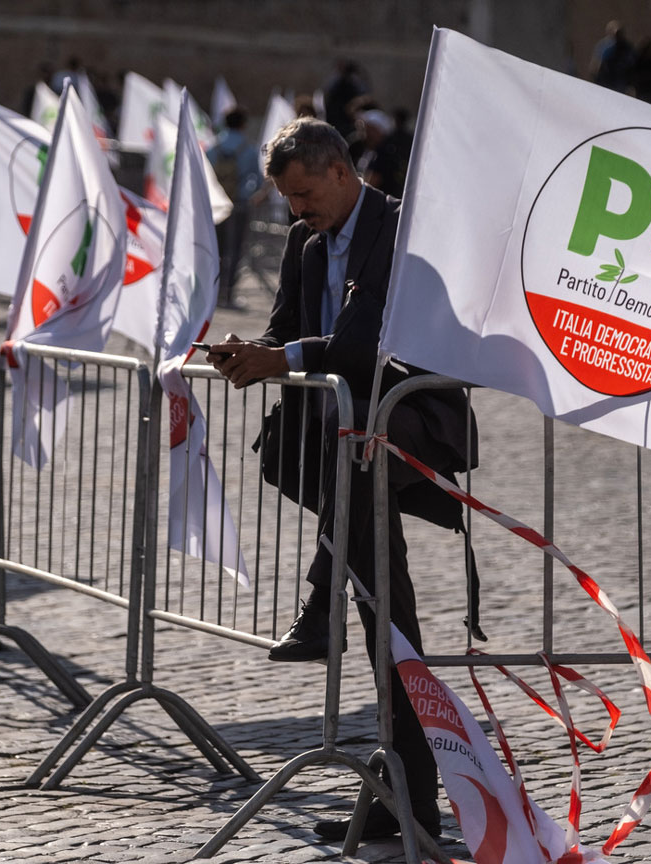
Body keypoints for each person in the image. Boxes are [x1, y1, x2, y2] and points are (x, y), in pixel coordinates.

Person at [207, 117, 481, 844]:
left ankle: (323, 591)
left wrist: (282, 358)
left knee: (382, 610)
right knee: (390, 621)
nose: (298, 211)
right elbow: (285, 330)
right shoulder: (303, 242)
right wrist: (248, 354)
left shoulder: (398, 228)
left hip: (406, 419)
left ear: (338, 170)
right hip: (337, 448)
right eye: (288, 201)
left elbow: (363, 346)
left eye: (304, 195)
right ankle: (410, 802)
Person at [207, 107, 261, 306]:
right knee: (235, 250)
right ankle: (228, 293)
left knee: (215, 249)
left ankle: (212, 292)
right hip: (238, 205)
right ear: (243, 124)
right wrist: (247, 195)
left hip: (216, 205)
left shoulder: (213, 146)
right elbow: (257, 179)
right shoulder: (249, 148)